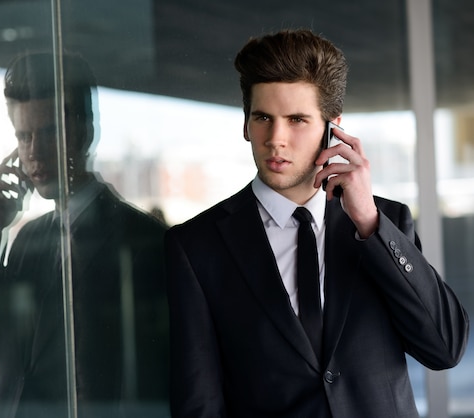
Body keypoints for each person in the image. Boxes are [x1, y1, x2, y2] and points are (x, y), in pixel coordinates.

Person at [165, 29, 469, 418]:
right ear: (245, 124)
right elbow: (198, 402)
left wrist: (369, 223)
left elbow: (444, 348)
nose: (276, 139)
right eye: (262, 117)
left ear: (333, 126)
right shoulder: (196, 245)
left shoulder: (386, 222)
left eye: (296, 120)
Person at [0, 52, 169, 417]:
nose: (34, 153)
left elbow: (153, 378)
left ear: (83, 131)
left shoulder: (144, 241)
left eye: (48, 133)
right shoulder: (28, 239)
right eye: (24, 136)